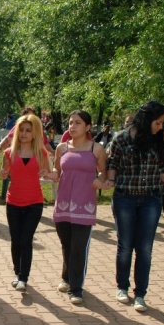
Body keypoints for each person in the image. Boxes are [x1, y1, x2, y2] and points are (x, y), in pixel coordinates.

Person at [108, 101, 164, 312]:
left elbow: (160, 168)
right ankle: (122, 287)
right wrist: (109, 181)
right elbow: (113, 164)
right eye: (158, 122)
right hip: (125, 198)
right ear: (147, 119)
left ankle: (140, 294)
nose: (161, 126)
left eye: (162, 123)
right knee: (125, 245)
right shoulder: (121, 138)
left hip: (151, 199)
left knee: (145, 248)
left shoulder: (158, 139)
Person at [53, 111, 109, 304]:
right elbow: (57, 170)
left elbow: (103, 172)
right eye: (70, 122)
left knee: (78, 247)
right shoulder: (61, 148)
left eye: (77, 123)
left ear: (87, 127)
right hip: (63, 204)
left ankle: (76, 289)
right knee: (66, 244)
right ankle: (66, 277)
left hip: (84, 205)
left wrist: (100, 180)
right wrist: (50, 174)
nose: (72, 126)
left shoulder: (96, 149)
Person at [0, 114, 55, 292]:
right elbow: (4, 172)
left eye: (28, 130)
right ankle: (17, 273)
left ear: (35, 133)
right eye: (21, 130)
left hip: (34, 203)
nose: (24, 133)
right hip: (13, 203)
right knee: (16, 240)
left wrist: (47, 174)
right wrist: (1, 171)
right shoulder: (9, 153)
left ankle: (23, 277)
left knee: (26, 240)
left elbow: (49, 173)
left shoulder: (41, 153)